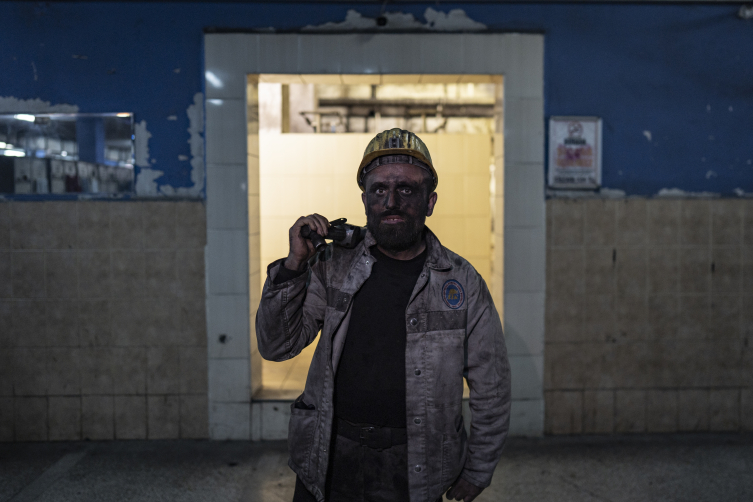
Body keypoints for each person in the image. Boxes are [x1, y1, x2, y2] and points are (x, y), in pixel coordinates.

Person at [256, 128, 511, 502]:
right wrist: (294, 265)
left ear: (430, 201)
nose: (391, 201)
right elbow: (277, 346)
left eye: (406, 189)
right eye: (379, 190)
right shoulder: (332, 266)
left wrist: (478, 469)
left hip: (413, 466)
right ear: (364, 201)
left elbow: (492, 387)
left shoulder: (461, 282)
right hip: (328, 457)